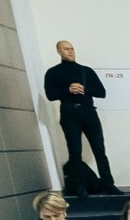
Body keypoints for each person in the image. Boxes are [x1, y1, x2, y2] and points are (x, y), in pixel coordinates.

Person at [44, 40, 113, 191]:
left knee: (99, 150)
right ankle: (79, 185)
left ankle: (109, 184)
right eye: (66, 49)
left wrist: (84, 89)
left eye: (72, 49)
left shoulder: (86, 71)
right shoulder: (53, 72)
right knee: (74, 151)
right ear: (58, 51)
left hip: (88, 111)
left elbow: (102, 92)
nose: (70, 51)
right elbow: (50, 95)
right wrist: (68, 90)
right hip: (69, 113)